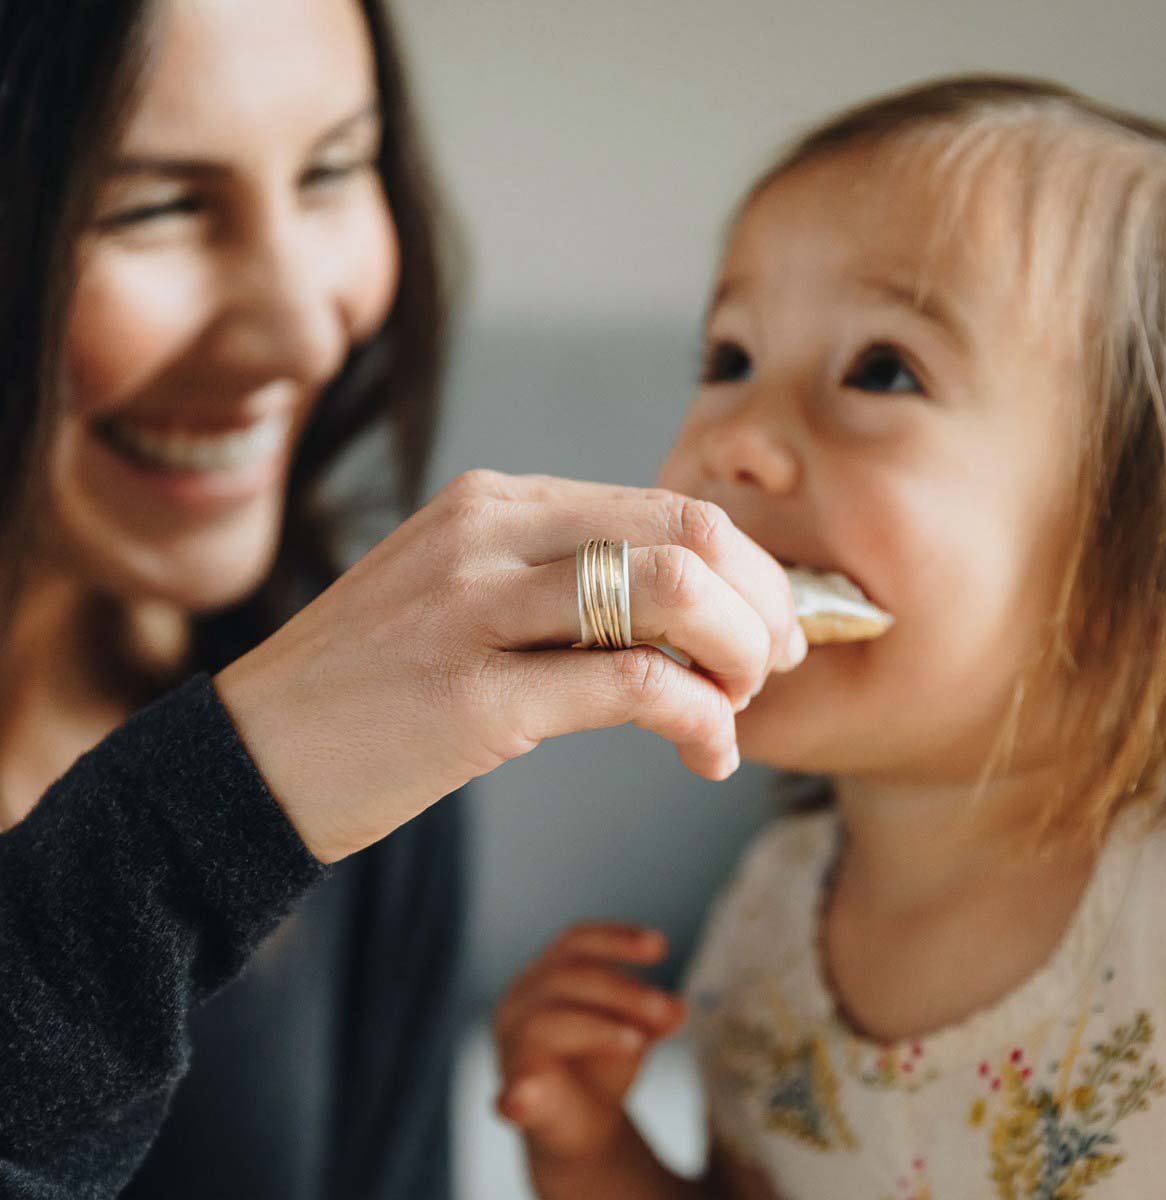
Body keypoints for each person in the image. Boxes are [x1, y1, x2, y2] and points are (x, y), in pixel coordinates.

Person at [0, 1, 806, 1197]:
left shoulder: (360, 703)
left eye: (334, 168)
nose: (299, 327)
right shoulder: (302, 732)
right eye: (154, 205)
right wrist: (218, 803)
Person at [494, 76, 1166, 1199]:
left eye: (883, 369)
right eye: (728, 358)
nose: (734, 441)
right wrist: (592, 1154)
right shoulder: (769, 931)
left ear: (1141, 571)